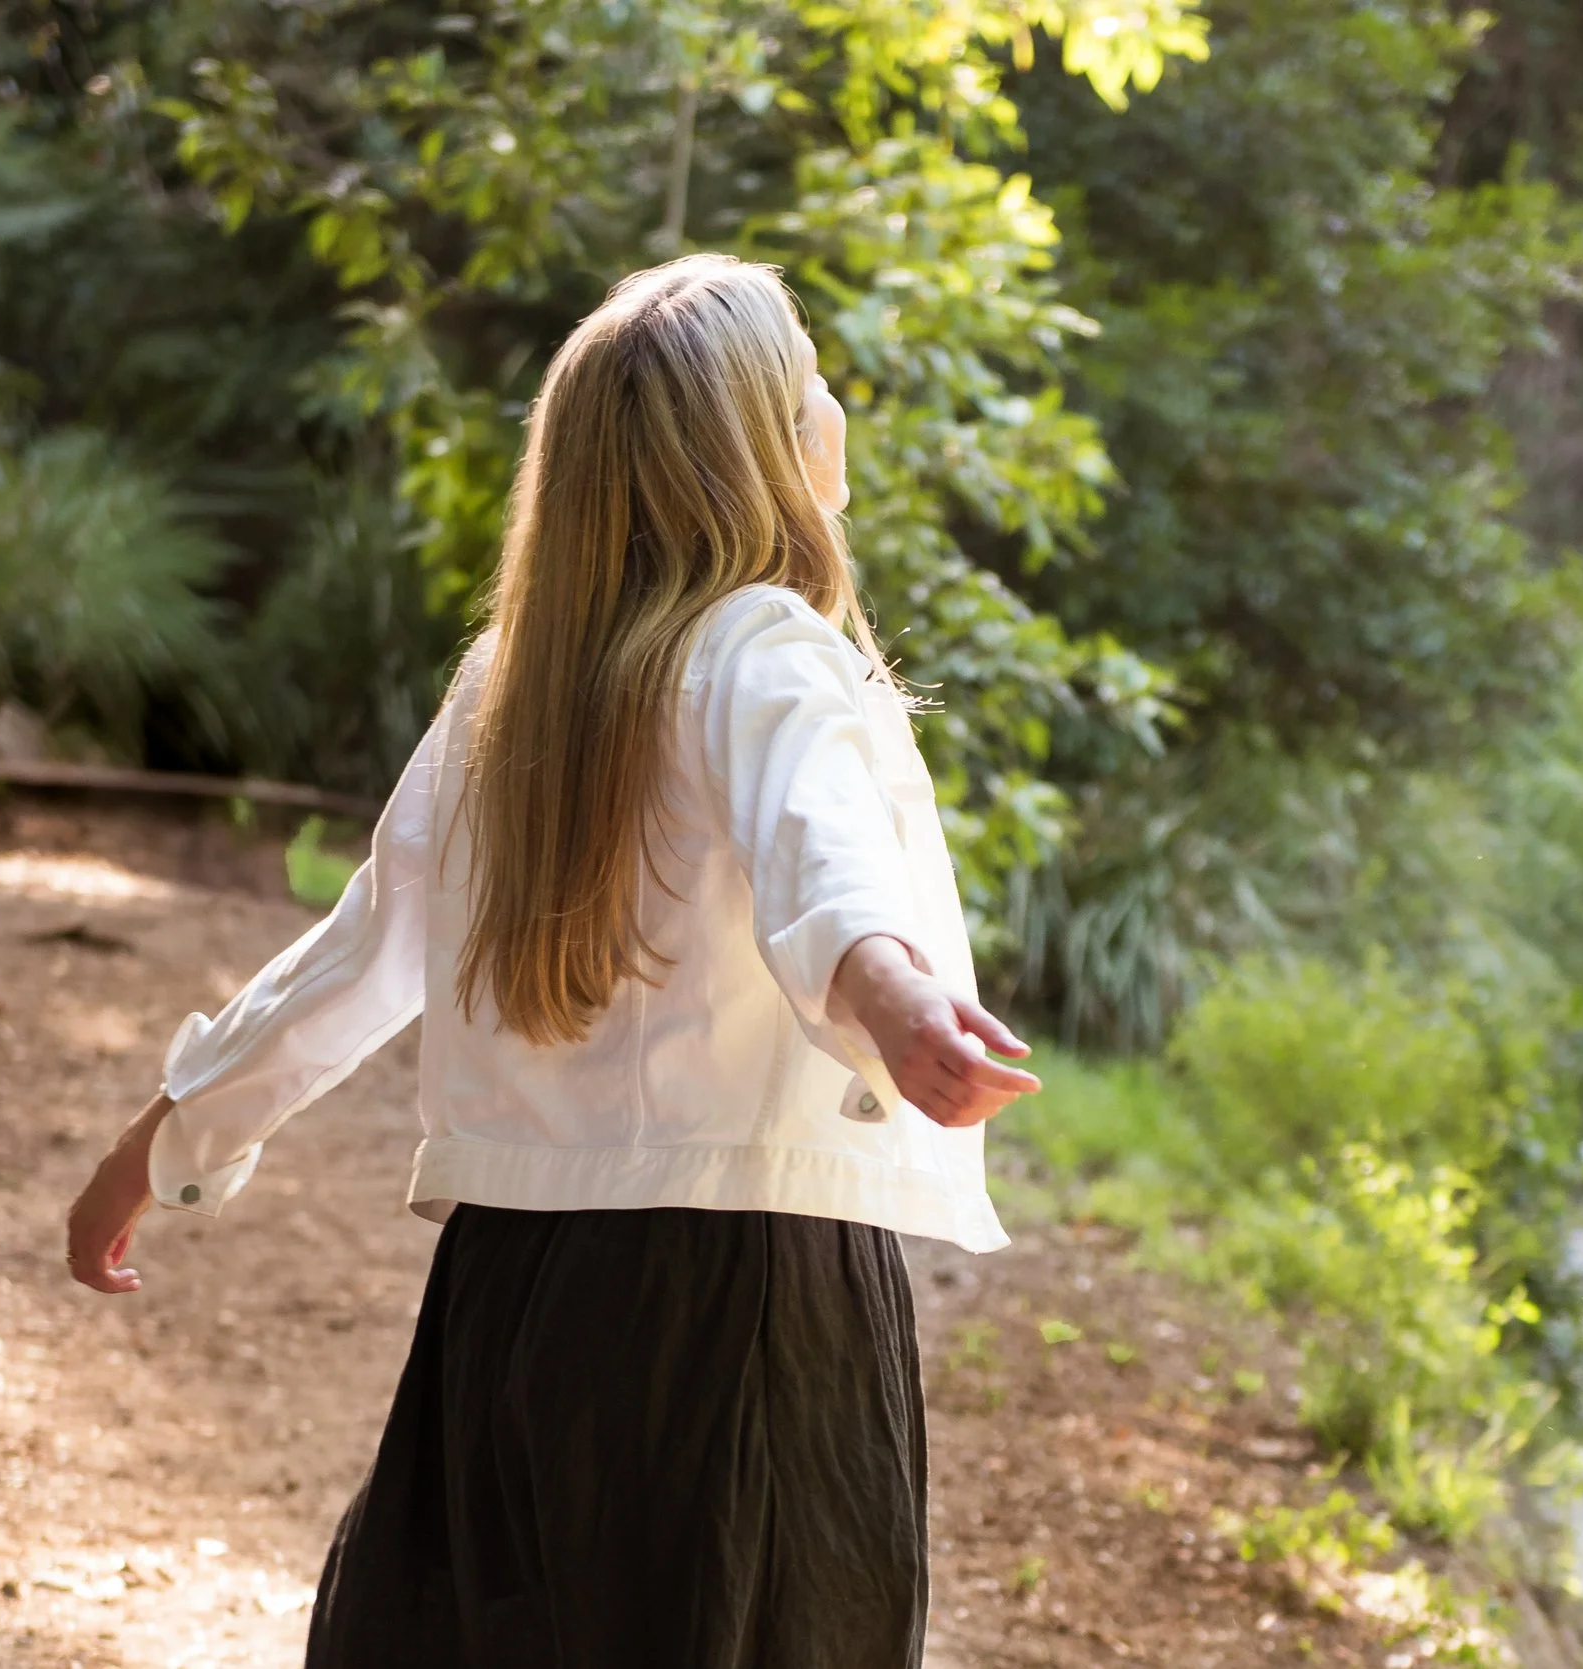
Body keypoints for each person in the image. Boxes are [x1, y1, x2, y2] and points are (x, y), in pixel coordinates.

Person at [63, 252, 1041, 1667]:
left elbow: (355, 962)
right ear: (770, 442)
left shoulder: (507, 689)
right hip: (736, 1302)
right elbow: (818, 858)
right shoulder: (759, 644)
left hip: (518, 1289)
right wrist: (893, 1001)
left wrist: (164, 1140)